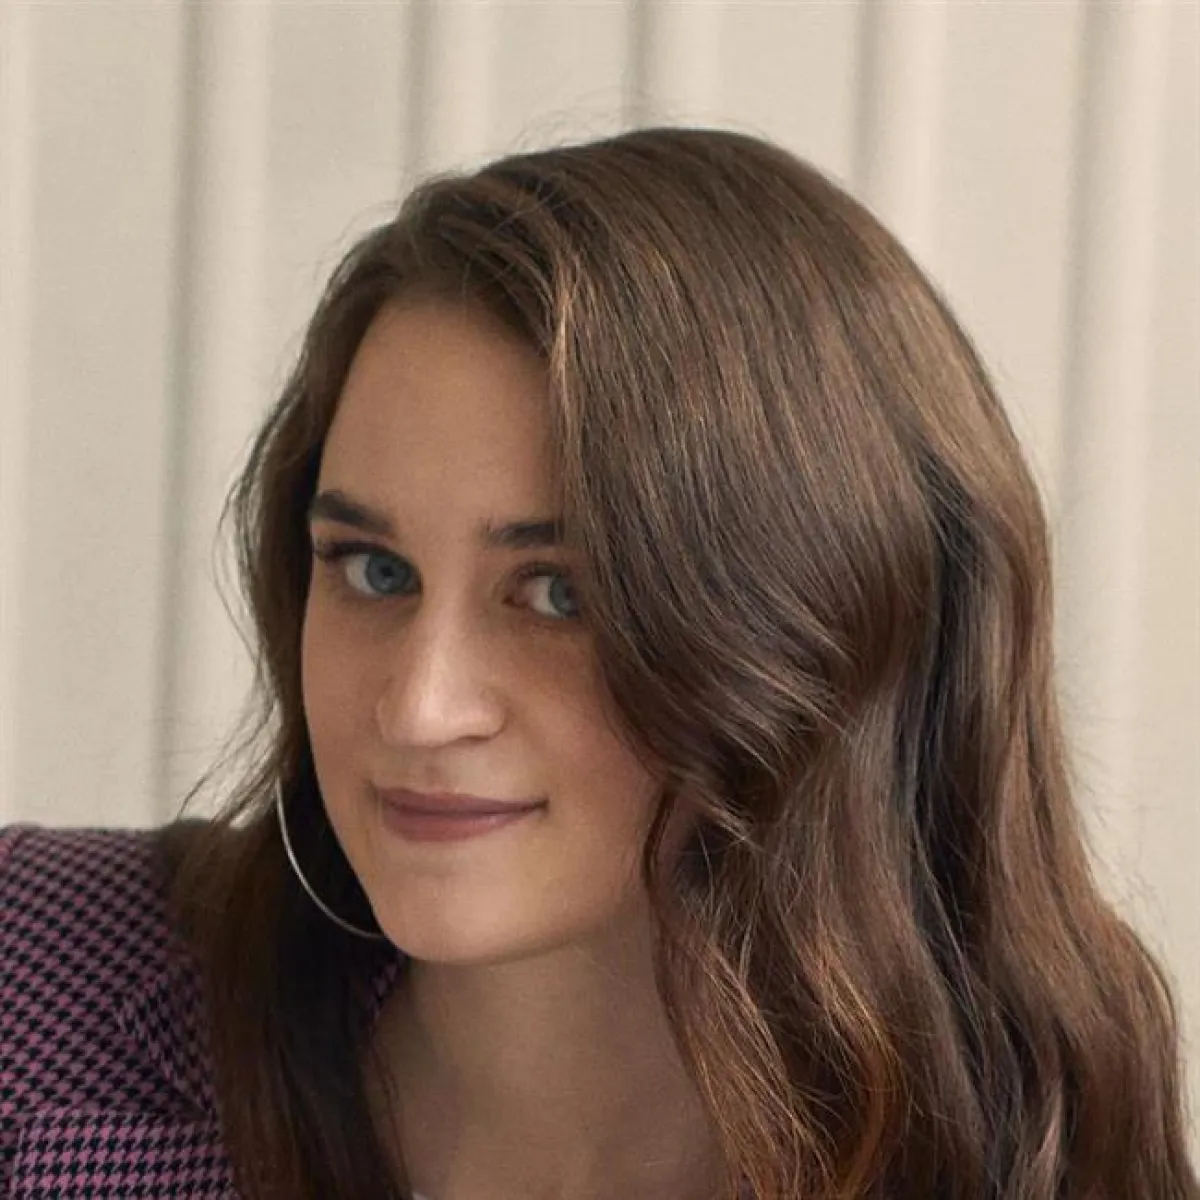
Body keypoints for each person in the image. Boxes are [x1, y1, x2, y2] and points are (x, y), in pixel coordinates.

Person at [0, 127, 1195, 1200]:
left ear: (823, 637)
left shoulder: (1034, 1161)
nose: (419, 706)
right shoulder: (36, 981)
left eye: (559, 594)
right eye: (373, 569)